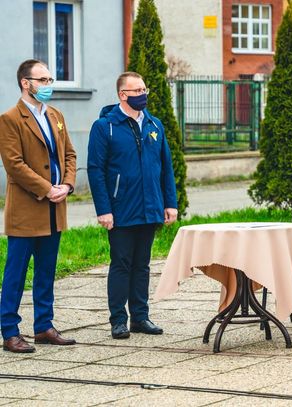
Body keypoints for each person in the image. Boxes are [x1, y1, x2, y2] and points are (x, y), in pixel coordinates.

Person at [87, 72, 178, 339]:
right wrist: (104, 209)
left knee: (142, 265)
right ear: (122, 95)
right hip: (121, 208)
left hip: (150, 207)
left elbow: (166, 167)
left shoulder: (154, 124)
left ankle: (140, 317)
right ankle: (118, 320)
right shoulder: (105, 126)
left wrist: (169, 203)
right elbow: (95, 170)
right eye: (137, 90)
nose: (143, 94)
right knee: (121, 263)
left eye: (144, 89)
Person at [0, 59, 77, 353]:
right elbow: (14, 165)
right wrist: (47, 189)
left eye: (49, 80)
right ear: (26, 83)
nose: (48, 85)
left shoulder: (55, 115)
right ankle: (10, 331)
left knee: (46, 270)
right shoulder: (10, 118)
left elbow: (69, 154)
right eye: (42, 80)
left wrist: (67, 185)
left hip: (54, 208)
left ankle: (44, 326)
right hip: (26, 209)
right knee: (16, 273)